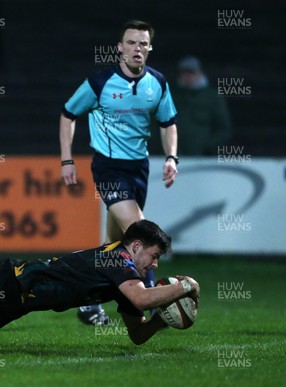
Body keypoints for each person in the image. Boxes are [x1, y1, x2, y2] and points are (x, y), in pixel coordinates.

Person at [0, 220, 199, 347]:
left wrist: (161, 320)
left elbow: (137, 333)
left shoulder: (128, 282)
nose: (154, 265)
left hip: (16, 305)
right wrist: (186, 287)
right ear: (137, 246)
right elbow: (142, 300)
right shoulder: (117, 260)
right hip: (4, 280)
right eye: (154, 256)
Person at [59, 20, 179, 325]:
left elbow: (168, 124)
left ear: (150, 48)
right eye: (131, 43)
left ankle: (88, 304)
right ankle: (153, 301)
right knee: (139, 231)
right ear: (120, 48)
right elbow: (68, 114)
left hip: (139, 168)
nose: (137, 49)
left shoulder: (157, 83)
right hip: (108, 166)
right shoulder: (100, 82)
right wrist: (67, 160)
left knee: (115, 247)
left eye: (143, 43)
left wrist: (171, 158)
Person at [150, 56, 231, 156]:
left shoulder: (212, 97)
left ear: (200, 73)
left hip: (201, 156)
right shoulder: (170, 95)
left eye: (192, 72)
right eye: (184, 73)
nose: (188, 76)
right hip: (172, 155)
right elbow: (156, 123)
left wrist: (208, 146)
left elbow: (223, 128)